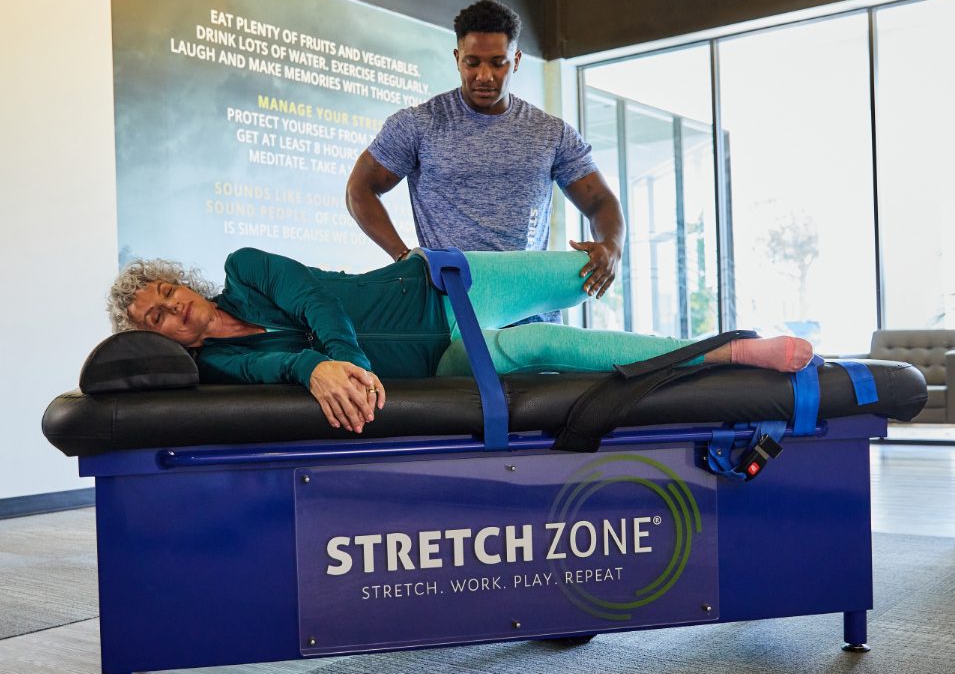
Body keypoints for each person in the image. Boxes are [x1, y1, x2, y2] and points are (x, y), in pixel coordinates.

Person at [108, 247, 814, 436]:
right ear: (159, 338)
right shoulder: (224, 365)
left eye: (167, 293)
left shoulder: (244, 268)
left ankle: (596, 265)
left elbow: (318, 302)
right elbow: (280, 363)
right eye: (156, 318)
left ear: (186, 283)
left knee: (579, 272)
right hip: (433, 362)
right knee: (533, 350)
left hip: (439, 285)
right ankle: (724, 349)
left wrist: (339, 360)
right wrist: (313, 367)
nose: (172, 310)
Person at [345, 0, 625, 320]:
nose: (484, 76)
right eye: (472, 62)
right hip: (451, 310)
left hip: (532, 313)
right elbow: (359, 189)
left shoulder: (550, 133)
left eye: (497, 62)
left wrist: (612, 247)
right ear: (457, 58)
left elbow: (600, 200)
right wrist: (405, 257)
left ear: (516, 60)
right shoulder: (419, 124)